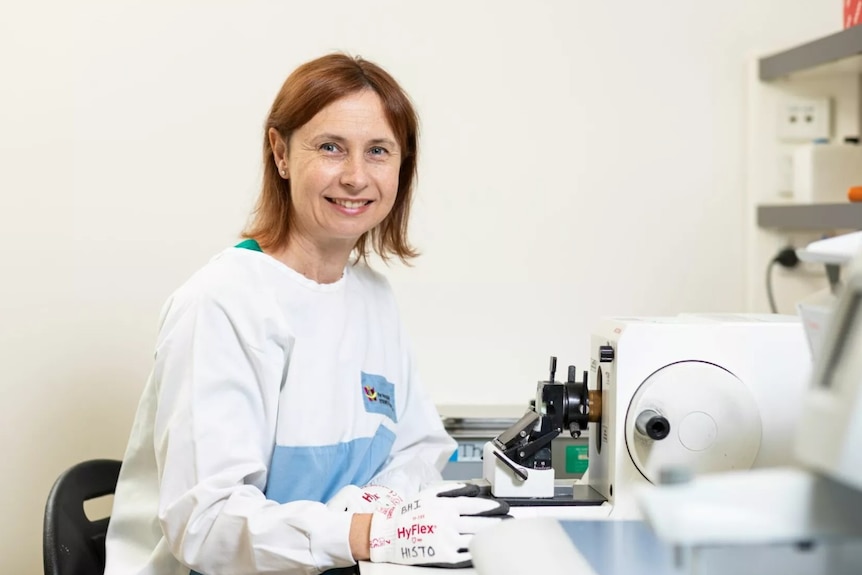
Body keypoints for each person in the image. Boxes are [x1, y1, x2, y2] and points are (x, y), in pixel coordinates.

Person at [103, 53, 507, 575]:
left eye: (379, 151)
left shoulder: (372, 298)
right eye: (331, 147)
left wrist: (372, 508)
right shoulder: (222, 302)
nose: (357, 176)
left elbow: (419, 447)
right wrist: (366, 534)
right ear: (282, 153)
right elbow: (207, 525)